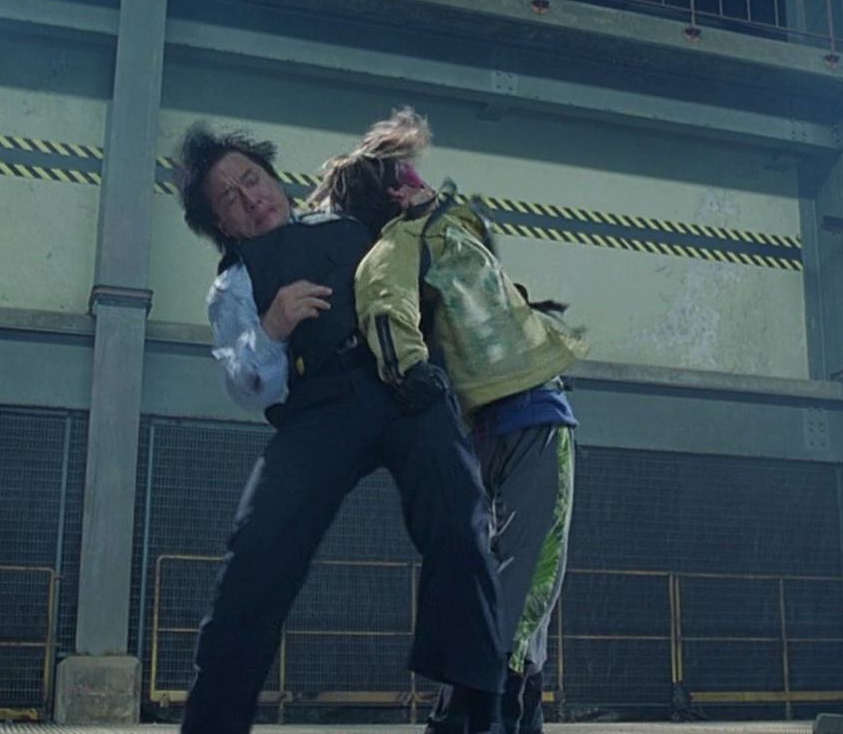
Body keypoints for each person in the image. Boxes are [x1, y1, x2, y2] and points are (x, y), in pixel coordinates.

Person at [173, 122, 508, 734]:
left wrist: (425, 207)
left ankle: (472, 718)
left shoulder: (350, 221)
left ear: (273, 177)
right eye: (229, 198)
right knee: (257, 552)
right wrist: (272, 328)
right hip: (317, 407)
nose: (250, 198)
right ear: (221, 224)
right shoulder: (232, 287)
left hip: (404, 382)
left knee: (462, 524)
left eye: (252, 178)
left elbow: (444, 261)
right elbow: (246, 388)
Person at [310, 108, 587, 734]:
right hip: (530, 417)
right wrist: (412, 371)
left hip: (489, 424)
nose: (424, 179)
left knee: (499, 576)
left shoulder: (441, 234)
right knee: (526, 574)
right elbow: (386, 310)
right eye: (410, 174)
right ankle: (482, 707)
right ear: (397, 193)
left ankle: (485, 707)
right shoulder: (400, 245)